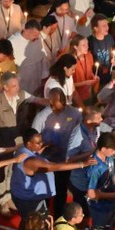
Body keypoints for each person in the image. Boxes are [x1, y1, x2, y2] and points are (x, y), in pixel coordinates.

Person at [11, 129, 91, 220]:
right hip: (28, 200)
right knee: (32, 223)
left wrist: (46, 146)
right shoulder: (31, 162)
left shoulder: (22, 150)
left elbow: (35, 152)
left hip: (23, 194)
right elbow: (55, 167)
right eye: (38, 143)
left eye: (42, 142)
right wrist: (82, 164)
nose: (41, 144)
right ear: (29, 143)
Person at [31, 88, 83, 216]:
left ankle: (59, 217)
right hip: (46, 161)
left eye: (60, 107)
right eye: (53, 106)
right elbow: (32, 140)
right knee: (45, 191)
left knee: (61, 190)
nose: (55, 110)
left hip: (64, 161)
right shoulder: (42, 117)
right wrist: (46, 143)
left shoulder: (75, 114)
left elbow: (80, 131)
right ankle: (44, 217)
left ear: (65, 102)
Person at [66, 106, 112, 214]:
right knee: (81, 213)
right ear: (89, 120)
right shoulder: (78, 136)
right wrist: (90, 153)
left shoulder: (96, 127)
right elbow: (68, 159)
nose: (101, 120)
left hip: (94, 180)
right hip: (81, 182)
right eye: (98, 118)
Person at [19, 15, 59, 96]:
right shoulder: (16, 42)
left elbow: (45, 57)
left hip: (39, 78)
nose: (37, 38)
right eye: (52, 29)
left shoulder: (42, 38)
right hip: (26, 81)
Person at [87, 13, 115, 85]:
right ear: (95, 28)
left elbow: (112, 54)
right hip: (95, 78)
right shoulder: (89, 42)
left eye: (107, 25)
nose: (107, 28)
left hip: (108, 75)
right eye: (104, 26)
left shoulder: (109, 37)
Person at [69, 35, 100, 103]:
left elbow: (89, 71)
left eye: (87, 44)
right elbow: (69, 84)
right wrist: (85, 83)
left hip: (89, 93)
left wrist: (94, 76)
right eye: (83, 45)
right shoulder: (70, 61)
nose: (87, 47)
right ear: (76, 47)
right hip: (77, 97)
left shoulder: (89, 55)